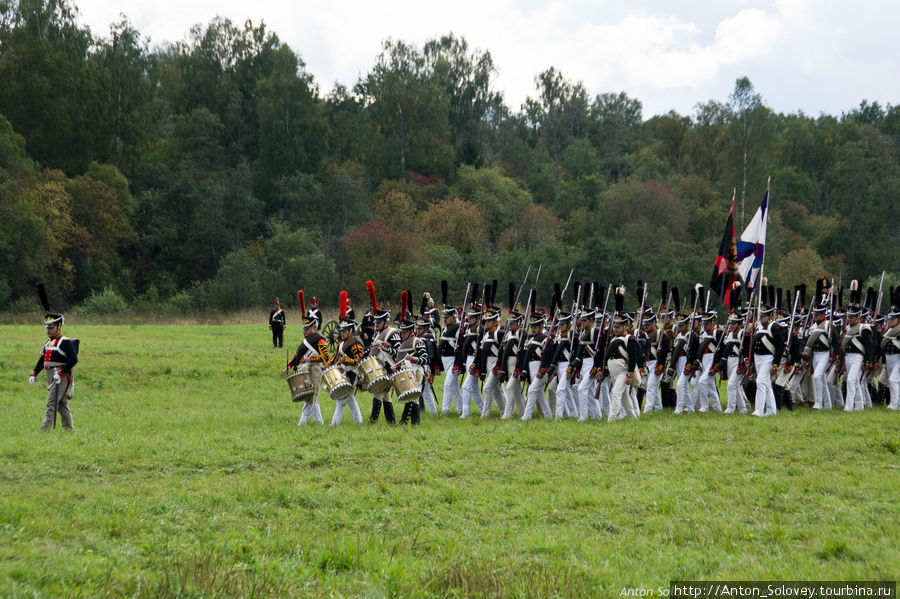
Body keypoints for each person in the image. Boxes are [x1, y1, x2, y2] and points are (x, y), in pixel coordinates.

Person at [29, 312, 78, 430]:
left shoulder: (65, 342)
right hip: (51, 376)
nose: (49, 331)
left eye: (51, 328)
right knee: (61, 404)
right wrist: (35, 373)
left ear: (58, 327)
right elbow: (43, 360)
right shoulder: (48, 342)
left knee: (51, 403)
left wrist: (61, 373)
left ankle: (44, 430)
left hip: (61, 376)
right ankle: (69, 429)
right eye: (48, 328)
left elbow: (73, 360)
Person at [284, 314, 329, 425]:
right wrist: (289, 365)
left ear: (313, 328)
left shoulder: (320, 340)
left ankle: (302, 423)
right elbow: (297, 355)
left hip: (315, 369)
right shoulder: (305, 341)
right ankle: (319, 422)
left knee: (310, 396)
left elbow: (326, 357)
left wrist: (312, 359)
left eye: (307, 328)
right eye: (304, 328)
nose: (304, 331)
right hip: (304, 370)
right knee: (310, 397)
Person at [751, 295, 786, 417]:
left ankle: (759, 410)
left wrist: (775, 364)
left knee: (760, 381)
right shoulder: (759, 327)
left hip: (768, 358)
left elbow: (780, 347)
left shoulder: (775, 327)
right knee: (765, 383)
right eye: (761, 315)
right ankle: (772, 410)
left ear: (770, 316)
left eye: (764, 315)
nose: (761, 318)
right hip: (758, 358)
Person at [329, 317, 365, 425]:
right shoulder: (341, 343)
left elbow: (359, 360)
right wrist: (327, 365)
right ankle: (358, 421)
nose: (342, 333)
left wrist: (347, 361)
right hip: (342, 373)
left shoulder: (355, 343)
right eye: (341, 331)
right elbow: (334, 357)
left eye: (344, 331)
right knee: (349, 399)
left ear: (350, 331)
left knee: (341, 398)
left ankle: (334, 424)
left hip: (352, 374)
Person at [369, 308, 400, 423]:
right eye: (375, 322)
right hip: (378, 366)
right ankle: (391, 421)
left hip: (388, 367)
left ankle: (373, 420)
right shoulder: (377, 334)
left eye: (379, 322)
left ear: (386, 322)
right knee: (386, 395)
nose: (376, 324)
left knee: (378, 391)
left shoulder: (393, 333)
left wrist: (385, 347)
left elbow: (398, 351)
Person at [883, 293, 900, 410]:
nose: (891, 321)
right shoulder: (889, 331)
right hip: (889, 358)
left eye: (894, 319)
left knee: (893, 380)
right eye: (890, 318)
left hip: (898, 358)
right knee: (893, 381)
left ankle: (894, 405)